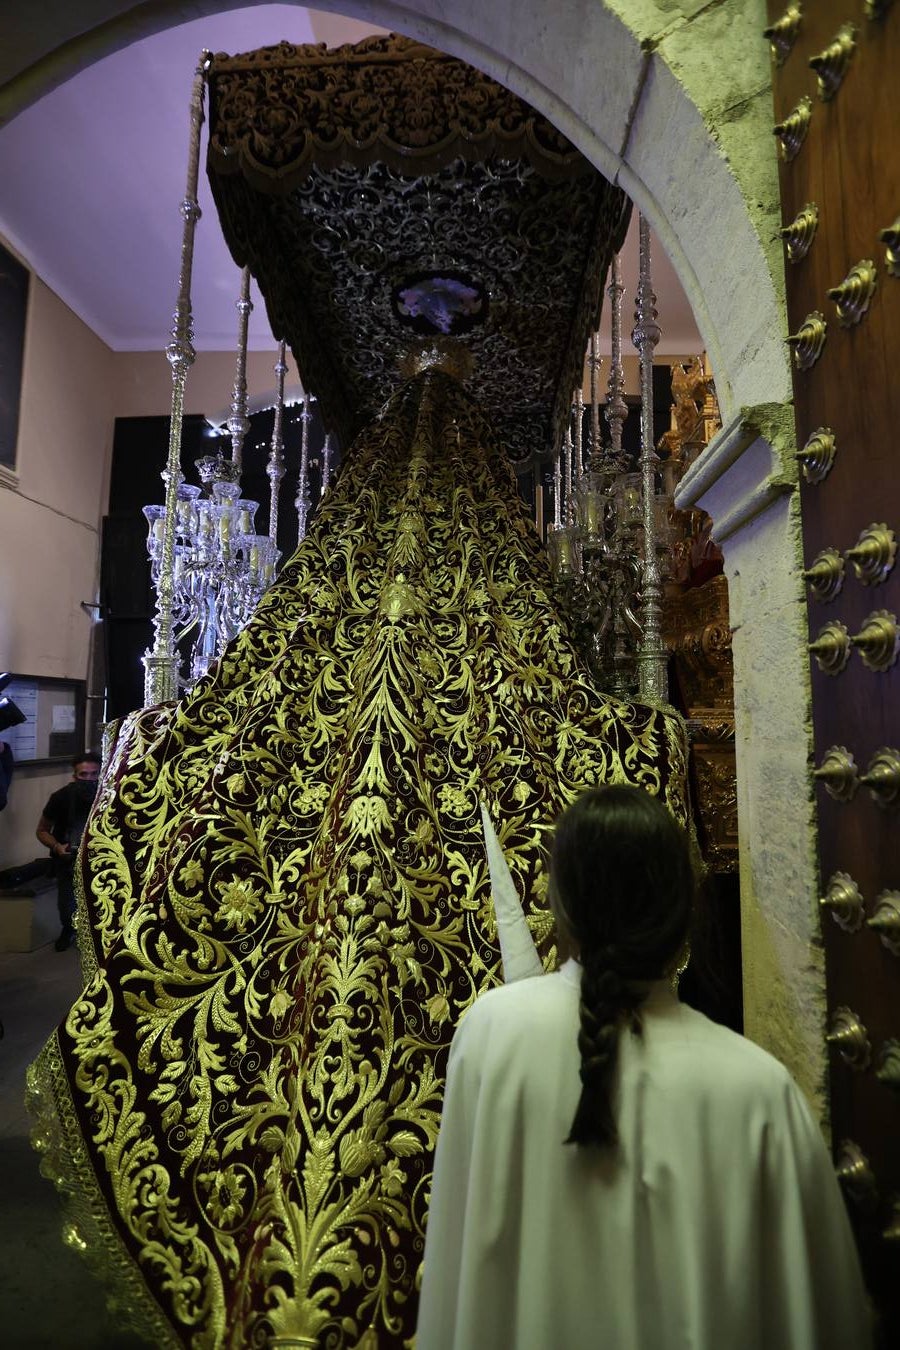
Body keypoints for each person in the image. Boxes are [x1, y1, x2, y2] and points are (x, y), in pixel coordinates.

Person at [416, 785, 873, 1350]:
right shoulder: (759, 1091)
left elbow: (452, 1276)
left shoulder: (491, 1037)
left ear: (562, 908)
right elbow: (824, 1318)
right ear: (685, 911)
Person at [35, 751, 101, 951]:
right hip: (68, 860)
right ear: (75, 776)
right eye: (83, 774)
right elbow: (42, 830)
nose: (89, 779)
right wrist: (56, 846)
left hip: (102, 859)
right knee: (67, 904)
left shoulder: (111, 796)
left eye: (94, 774)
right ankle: (69, 929)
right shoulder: (60, 798)